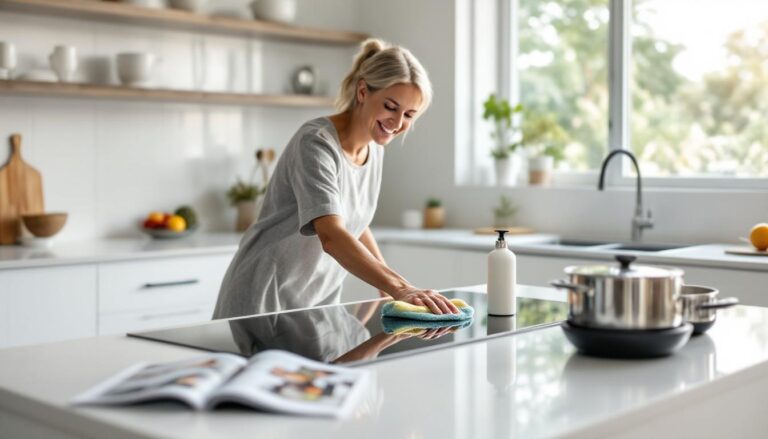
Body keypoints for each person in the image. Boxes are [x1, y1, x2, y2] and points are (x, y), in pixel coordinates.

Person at [212, 38, 460, 320]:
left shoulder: (375, 149)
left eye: (409, 115)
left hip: (315, 299)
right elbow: (331, 234)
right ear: (363, 91)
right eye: (390, 107)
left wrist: (386, 288)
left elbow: (355, 223)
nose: (397, 122)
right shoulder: (316, 143)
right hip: (265, 298)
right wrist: (400, 287)